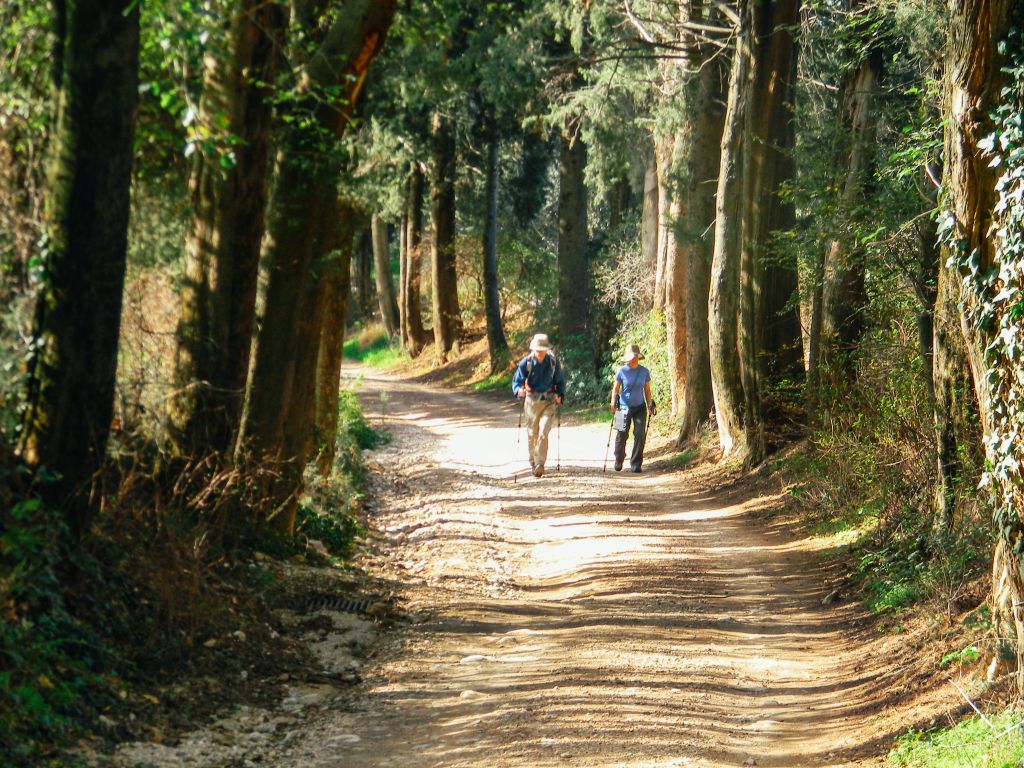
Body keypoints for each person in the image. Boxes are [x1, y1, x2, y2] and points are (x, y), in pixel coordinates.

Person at [512, 333, 565, 477]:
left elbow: (560, 380)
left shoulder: (553, 361)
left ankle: (540, 463)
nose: (540, 352)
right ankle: (533, 462)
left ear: (546, 349)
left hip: (549, 401)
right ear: (534, 349)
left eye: (542, 349)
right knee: (532, 434)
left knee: (543, 432)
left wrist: (560, 395)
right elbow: (516, 382)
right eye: (538, 350)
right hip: (531, 402)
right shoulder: (526, 363)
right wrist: (519, 390)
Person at [610, 344, 656, 473]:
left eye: (635, 356)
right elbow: (616, 389)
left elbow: (647, 390)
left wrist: (650, 404)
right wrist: (613, 403)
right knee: (621, 434)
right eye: (631, 357)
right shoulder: (621, 371)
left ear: (638, 356)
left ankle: (636, 463)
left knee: (640, 433)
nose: (633, 359)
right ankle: (619, 458)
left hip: (640, 407)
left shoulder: (644, 371)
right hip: (622, 407)